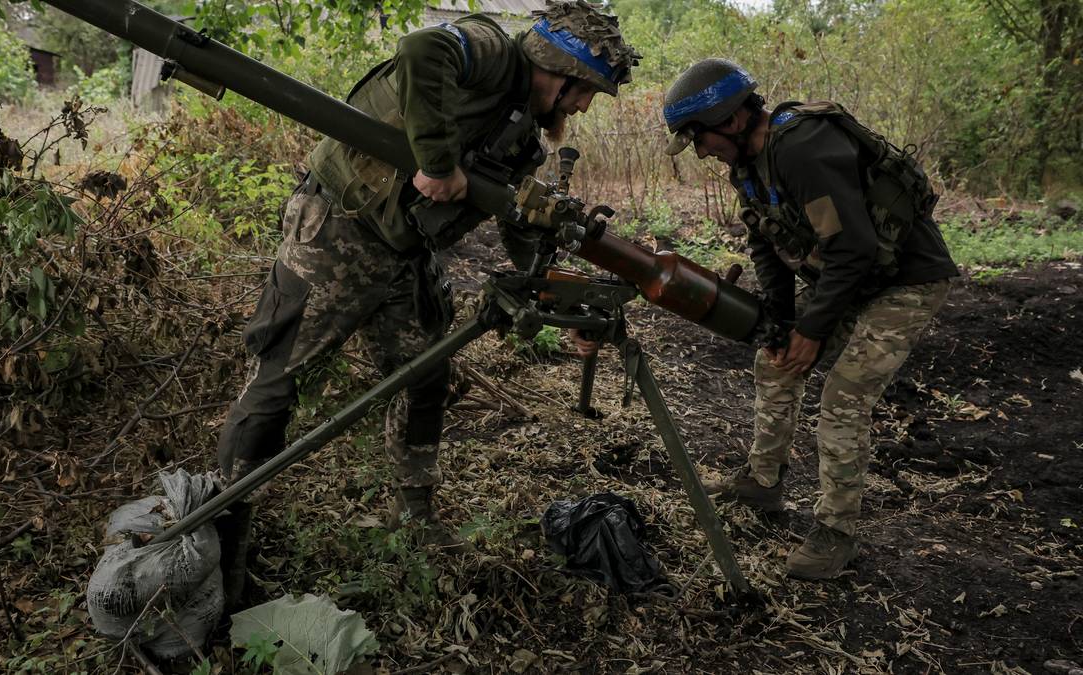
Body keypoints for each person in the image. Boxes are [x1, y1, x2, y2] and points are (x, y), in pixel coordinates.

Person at [215, 1, 640, 605]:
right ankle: (222, 538)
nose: (582, 106)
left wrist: (554, 294)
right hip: (338, 232)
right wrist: (439, 165)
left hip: (404, 256)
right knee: (278, 385)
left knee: (424, 374)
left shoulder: (523, 138)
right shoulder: (491, 51)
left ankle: (413, 512)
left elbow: (520, 225)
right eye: (585, 91)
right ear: (558, 68)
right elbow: (422, 51)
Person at [661, 58, 958, 579]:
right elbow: (766, 246)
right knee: (774, 360)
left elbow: (854, 248)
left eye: (700, 137)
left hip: (905, 282)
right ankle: (763, 481)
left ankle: (836, 534)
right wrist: (781, 324)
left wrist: (812, 330)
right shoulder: (747, 166)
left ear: (730, 121)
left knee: (843, 398)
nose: (701, 150)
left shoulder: (802, 149)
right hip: (852, 278)